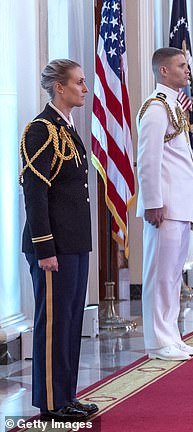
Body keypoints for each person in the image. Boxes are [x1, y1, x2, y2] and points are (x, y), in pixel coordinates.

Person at [20, 59, 98, 420]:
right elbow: (35, 195)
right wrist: (45, 248)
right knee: (53, 324)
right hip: (53, 247)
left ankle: (66, 395)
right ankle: (51, 403)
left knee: (69, 321)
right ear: (59, 88)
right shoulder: (41, 129)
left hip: (74, 244)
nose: (84, 88)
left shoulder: (65, 127)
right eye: (79, 83)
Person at [137, 47, 193, 361]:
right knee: (159, 275)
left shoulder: (174, 105)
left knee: (173, 276)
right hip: (165, 207)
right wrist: (153, 202)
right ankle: (158, 341)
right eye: (180, 65)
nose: (187, 69)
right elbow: (148, 160)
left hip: (179, 205)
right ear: (164, 71)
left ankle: (171, 335)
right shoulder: (156, 108)